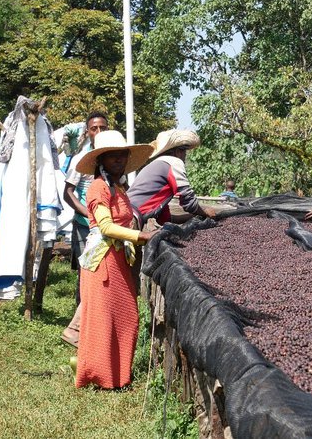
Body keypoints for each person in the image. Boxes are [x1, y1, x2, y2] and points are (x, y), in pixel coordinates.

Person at [74, 130, 156, 389]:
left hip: (118, 257)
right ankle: (101, 376)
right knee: (104, 319)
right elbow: (106, 227)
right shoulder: (99, 188)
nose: (119, 160)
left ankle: (118, 376)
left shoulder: (118, 187)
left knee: (126, 316)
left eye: (123, 156)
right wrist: (141, 236)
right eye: (113, 157)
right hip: (103, 261)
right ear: (102, 160)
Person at [61, 112, 108, 347]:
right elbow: (67, 192)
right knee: (85, 275)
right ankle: (80, 331)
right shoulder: (82, 159)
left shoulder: (112, 157)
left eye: (102, 128)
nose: (98, 132)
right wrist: (88, 214)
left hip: (107, 229)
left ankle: (94, 326)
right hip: (84, 227)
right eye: (94, 128)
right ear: (87, 132)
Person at [127, 129, 216, 226]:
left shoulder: (158, 166)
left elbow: (166, 220)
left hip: (127, 212)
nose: (185, 156)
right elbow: (188, 201)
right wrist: (205, 211)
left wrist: (195, 216)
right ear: (178, 152)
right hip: (130, 218)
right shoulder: (173, 162)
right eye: (184, 152)